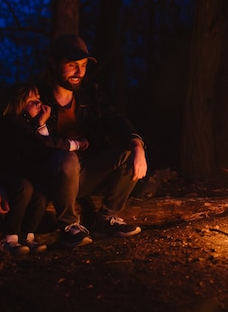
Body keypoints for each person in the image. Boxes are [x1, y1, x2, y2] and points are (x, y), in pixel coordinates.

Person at [33, 33, 148, 248]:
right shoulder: (36, 97)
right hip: (51, 177)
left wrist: (137, 145)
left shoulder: (90, 96)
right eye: (71, 65)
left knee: (130, 150)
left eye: (83, 65)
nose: (79, 72)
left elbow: (116, 120)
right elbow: (33, 145)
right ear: (53, 63)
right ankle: (68, 226)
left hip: (84, 175)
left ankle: (106, 219)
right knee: (68, 159)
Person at [0, 81, 88, 255]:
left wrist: (40, 124)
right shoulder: (12, 124)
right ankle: (9, 238)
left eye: (38, 98)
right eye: (32, 101)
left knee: (40, 190)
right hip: (4, 175)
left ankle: (27, 235)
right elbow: (44, 145)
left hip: (22, 175)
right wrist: (75, 144)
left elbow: (44, 149)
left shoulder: (27, 125)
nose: (39, 103)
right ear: (18, 105)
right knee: (25, 187)